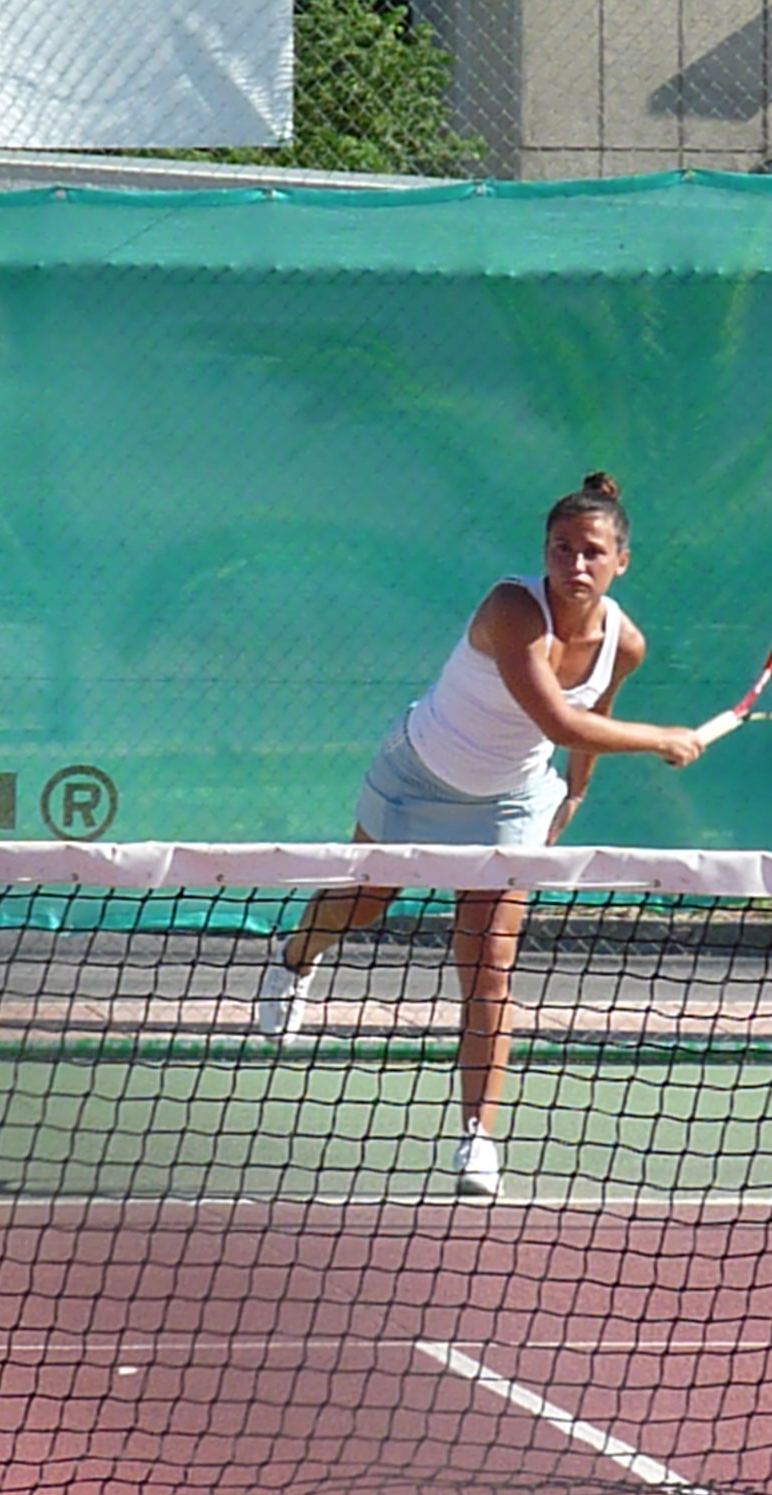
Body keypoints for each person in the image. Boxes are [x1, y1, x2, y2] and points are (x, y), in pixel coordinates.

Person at [254, 471, 704, 1198]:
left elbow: (592, 717)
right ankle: (294, 958)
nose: (575, 563)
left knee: (488, 963)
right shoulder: (512, 609)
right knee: (364, 903)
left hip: (512, 801)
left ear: (622, 562)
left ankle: (477, 1138)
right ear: (545, 551)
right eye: (561, 548)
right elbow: (558, 720)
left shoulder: (625, 644)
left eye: (592, 551)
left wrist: (574, 792)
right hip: (418, 776)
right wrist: (660, 739)